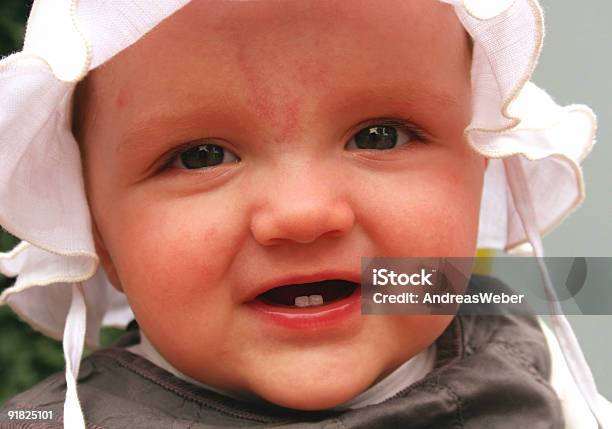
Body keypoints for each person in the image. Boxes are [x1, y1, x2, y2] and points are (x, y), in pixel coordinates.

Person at [0, 0, 610, 428]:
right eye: (201, 155)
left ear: (480, 163)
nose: (303, 213)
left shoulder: (520, 345)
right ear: (98, 232)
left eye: (379, 136)